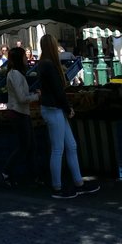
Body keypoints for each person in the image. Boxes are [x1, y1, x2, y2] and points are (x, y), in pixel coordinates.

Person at [38, 33, 100, 199]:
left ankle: (78, 182)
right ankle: (57, 187)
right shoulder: (49, 65)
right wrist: (68, 108)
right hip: (54, 109)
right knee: (58, 149)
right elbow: (58, 91)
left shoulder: (44, 64)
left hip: (53, 108)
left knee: (70, 146)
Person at [0, 47, 40, 188]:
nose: (26, 58)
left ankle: (33, 176)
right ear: (19, 59)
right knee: (24, 146)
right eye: (24, 56)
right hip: (18, 113)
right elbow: (22, 98)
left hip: (22, 112)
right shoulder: (15, 74)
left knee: (30, 145)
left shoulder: (16, 73)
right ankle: (5, 173)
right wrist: (37, 96)